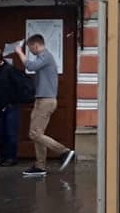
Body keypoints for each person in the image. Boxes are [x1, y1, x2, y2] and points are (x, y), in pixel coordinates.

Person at [13, 34, 74, 177]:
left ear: (36, 45)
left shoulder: (45, 56)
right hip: (41, 100)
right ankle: (40, 166)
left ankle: (64, 151)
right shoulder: (43, 57)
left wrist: (19, 52)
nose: (30, 51)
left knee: (34, 134)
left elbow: (30, 66)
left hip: (45, 101)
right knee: (38, 134)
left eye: (30, 48)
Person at [0, 49, 25, 167]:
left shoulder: (9, 70)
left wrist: (13, 100)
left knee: (11, 134)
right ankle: (2, 157)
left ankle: (12, 158)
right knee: (1, 134)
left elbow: (19, 86)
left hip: (10, 107)